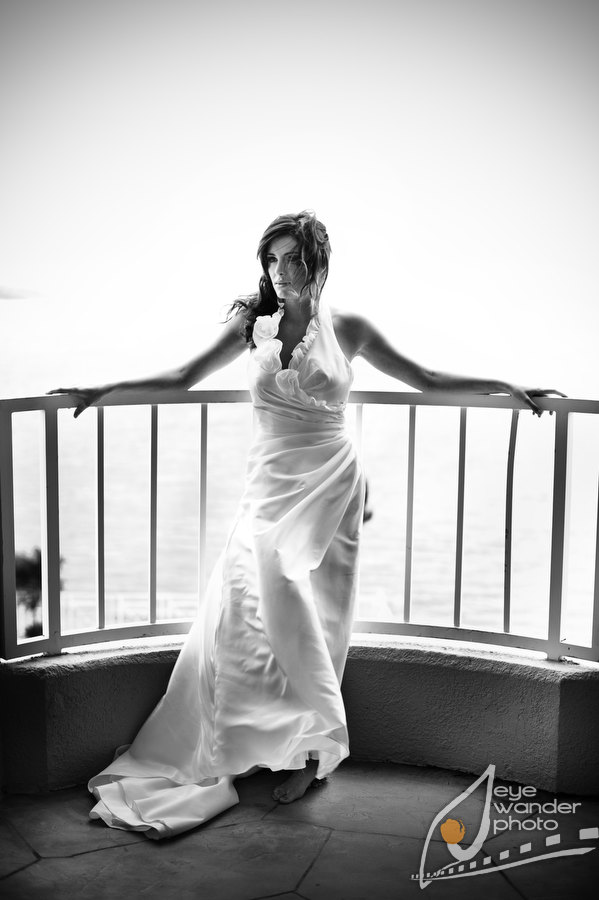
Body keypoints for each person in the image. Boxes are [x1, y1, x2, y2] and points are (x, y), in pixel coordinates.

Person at [49, 210, 563, 839]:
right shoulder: (253, 324)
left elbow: (427, 378)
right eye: (271, 259)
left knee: (316, 616)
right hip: (268, 486)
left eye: (292, 258)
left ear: (317, 262)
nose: (280, 271)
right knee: (246, 610)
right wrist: (102, 389)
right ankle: (250, 740)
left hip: (330, 484)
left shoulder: (350, 328)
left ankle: (311, 756)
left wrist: (510, 386)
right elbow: (183, 376)